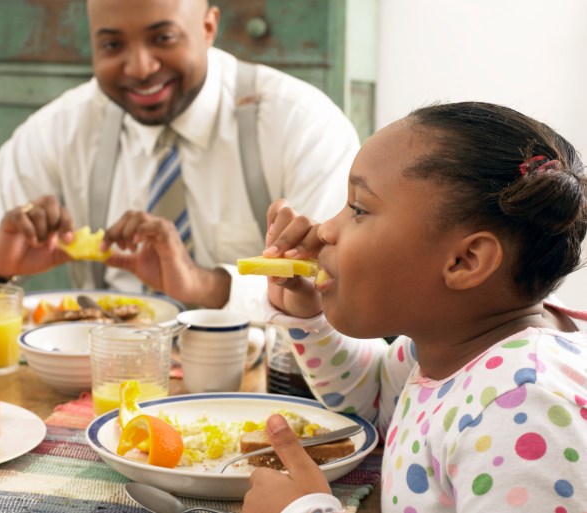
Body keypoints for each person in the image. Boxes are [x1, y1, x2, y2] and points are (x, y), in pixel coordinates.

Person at [0, 0, 357, 321]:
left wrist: (206, 286)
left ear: (207, 26)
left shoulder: (301, 122)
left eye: (163, 37)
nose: (139, 67)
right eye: (112, 46)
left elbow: (337, 287)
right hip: (104, 379)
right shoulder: (65, 125)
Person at [242, 102, 587, 513]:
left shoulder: (522, 409)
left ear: (465, 261)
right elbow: (372, 399)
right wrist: (309, 318)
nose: (324, 230)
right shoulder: (455, 340)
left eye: (359, 209)